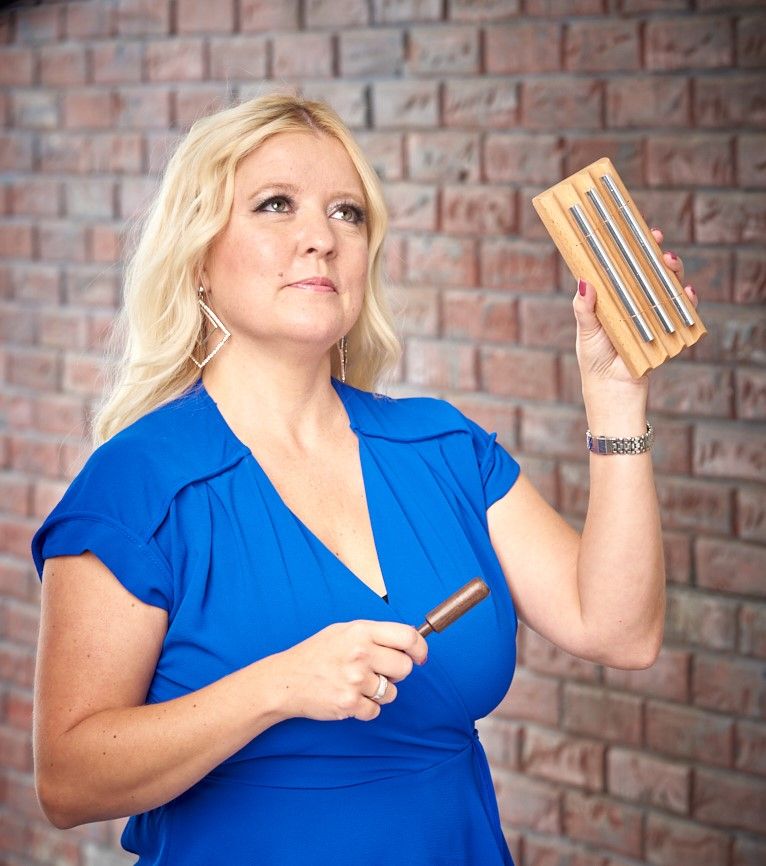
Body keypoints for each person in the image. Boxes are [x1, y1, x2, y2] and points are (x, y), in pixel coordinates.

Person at [30, 94, 695, 866]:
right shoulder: (137, 486)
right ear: (199, 254)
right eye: (276, 205)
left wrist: (615, 394)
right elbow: (68, 781)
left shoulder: (442, 448)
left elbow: (619, 631)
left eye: (346, 213)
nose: (321, 238)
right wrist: (279, 686)